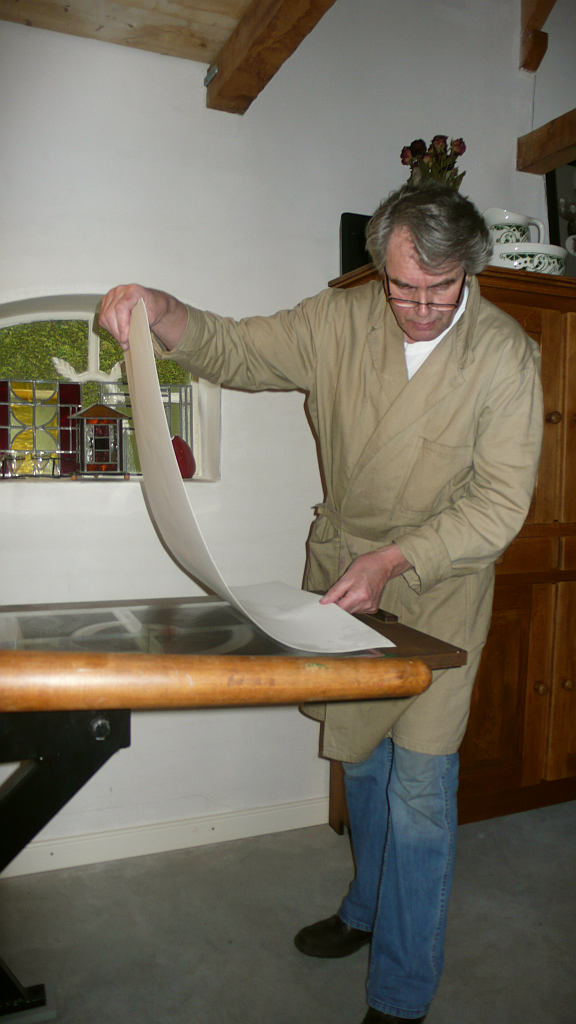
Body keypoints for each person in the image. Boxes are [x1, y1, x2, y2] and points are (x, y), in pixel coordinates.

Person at [99, 182, 543, 1023]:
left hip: (441, 589)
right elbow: (237, 350)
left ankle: (403, 991)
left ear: (470, 271)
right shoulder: (338, 320)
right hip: (346, 577)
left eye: (442, 289)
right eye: (403, 287)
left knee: (421, 788)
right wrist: (159, 307)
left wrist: (394, 560)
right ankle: (365, 909)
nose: (421, 308)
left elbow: (498, 505)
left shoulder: (506, 354)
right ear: (378, 266)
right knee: (363, 761)